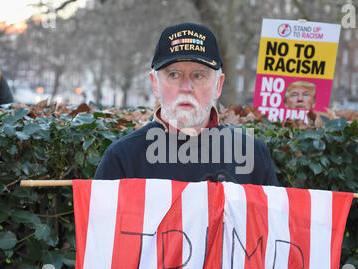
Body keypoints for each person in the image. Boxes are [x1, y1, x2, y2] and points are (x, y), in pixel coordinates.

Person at [94, 22, 279, 186]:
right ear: (155, 84)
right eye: (174, 74)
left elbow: (270, 224)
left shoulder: (253, 155)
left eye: (199, 75)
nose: (186, 87)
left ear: (218, 85)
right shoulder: (123, 158)